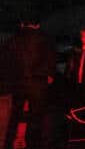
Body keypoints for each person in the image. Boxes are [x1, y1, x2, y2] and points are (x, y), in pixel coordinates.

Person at [6, 14, 56, 149]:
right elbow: (51, 61)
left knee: (16, 113)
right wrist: (49, 76)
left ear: (22, 24)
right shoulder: (45, 39)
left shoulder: (13, 40)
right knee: (37, 115)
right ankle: (34, 142)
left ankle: (11, 141)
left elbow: (7, 62)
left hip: (18, 82)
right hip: (38, 82)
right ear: (37, 25)